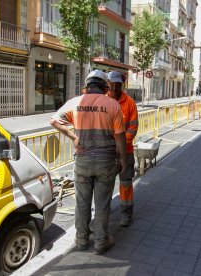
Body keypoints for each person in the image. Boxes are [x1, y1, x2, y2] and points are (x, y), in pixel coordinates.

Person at [50, 69, 127, 255]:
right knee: (102, 204)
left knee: (82, 204)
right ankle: (101, 243)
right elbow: (120, 137)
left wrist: (73, 136)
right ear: (104, 87)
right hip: (106, 162)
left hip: (82, 162)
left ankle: (82, 241)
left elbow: (54, 120)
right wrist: (123, 159)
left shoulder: (75, 102)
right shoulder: (112, 105)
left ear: (88, 85)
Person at [107, 71, 138, 227]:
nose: (114, 88)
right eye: (111, 85)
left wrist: (121, 144)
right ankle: (104, 215)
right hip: (107, 153)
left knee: (125, 184)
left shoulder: (130, 103)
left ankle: (126, 214)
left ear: (122, 85)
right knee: (105, 184)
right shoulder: (104, 101)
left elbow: (133, 127)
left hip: (126, 151)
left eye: (117, 85)